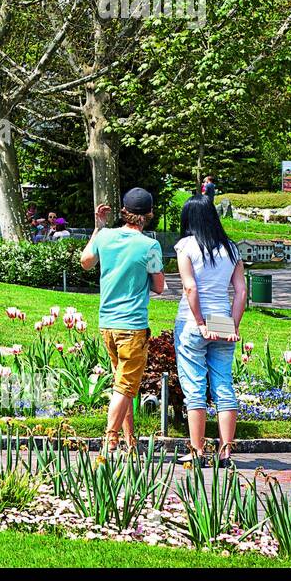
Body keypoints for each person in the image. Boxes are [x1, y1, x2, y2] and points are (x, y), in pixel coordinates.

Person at [81, 188, 165, 452]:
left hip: (107, 324)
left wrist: (98, 227)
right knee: (125, 386)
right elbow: (160, 286)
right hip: (133, 327)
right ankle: (109, 439)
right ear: (149, 214)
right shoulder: (150, 246)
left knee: (123, 385)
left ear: (124, 212)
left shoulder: (105, 236)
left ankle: (129, 441)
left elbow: (85, 262)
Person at [172, 194, 245, 465]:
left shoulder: (186, 246)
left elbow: (190, 287)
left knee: (195, 387)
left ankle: (197, 451)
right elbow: (240, 291)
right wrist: (234, 325)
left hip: (193, 320)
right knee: (224, 384)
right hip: (223, 319)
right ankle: (226, 452)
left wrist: (200, 322)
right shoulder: (232, 248)